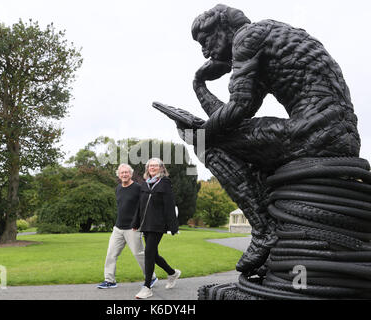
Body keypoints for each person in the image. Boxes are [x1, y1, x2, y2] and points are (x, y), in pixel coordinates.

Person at [175, 4, 361, 274]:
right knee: (219, 138)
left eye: (206, 41)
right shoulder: (265, 37)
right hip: (335, 133)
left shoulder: (246, 38)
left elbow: (238, 107)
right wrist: (199, 86)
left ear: (224, 29)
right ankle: (274, 238)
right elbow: (237, 117)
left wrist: (200, 133)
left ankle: (264, 231)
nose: (205, 52)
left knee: (207, 143)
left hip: (317, 132)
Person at [97, 163, 157, 289]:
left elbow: (144, 207)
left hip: (133, 228)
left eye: (126, 172)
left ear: (131, 174)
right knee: (111, 254)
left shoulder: (138, 188)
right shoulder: (118, 188)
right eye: (122, 173)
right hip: (118, 228)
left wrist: (138, 223)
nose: (124, 174)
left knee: (139, 254)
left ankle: (151, 277)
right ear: (118, 175)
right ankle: (110, 280)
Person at [132, 158, 181, 299]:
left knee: (149, 253)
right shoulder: (144, 184)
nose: (152, 168)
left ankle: (147, 287)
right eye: (150, 166)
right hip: (146, 224)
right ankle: (172, 273)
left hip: (158, 224)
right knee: (153, 254)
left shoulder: (164, 183)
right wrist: (135, 223)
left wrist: (173, 226)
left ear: (161, 168)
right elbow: (139, 206)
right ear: (147, 169)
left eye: (155, 165)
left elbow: (169, 205)